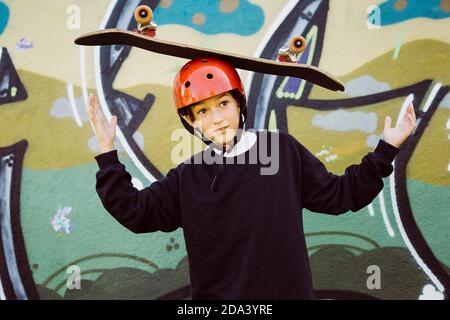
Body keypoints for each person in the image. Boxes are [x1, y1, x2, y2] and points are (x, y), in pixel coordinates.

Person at [88, 57, 416, 299]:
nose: (216, 118)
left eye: (223, 104)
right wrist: (107, 151)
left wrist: (385, 150)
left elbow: (342, 194)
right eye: (202, 111)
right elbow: (135, 210)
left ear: (239, 104)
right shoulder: (187, 177)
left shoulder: (282, 152)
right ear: (191, 122)